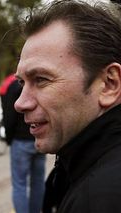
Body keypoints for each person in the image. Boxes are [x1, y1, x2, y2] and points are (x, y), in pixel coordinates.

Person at [14, 0, 121, 212]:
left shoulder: (100, 199)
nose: (20, 103)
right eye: (21, 82)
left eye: (41, 79)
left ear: (109, 84)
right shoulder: (81, 170)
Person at [0, 75, 45, 213]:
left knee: (19, 184)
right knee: (38, 183)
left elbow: (9, 116)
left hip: (20, 141)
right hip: (39, 139)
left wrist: (8, 137)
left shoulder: (14, 87)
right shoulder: (41, 84)